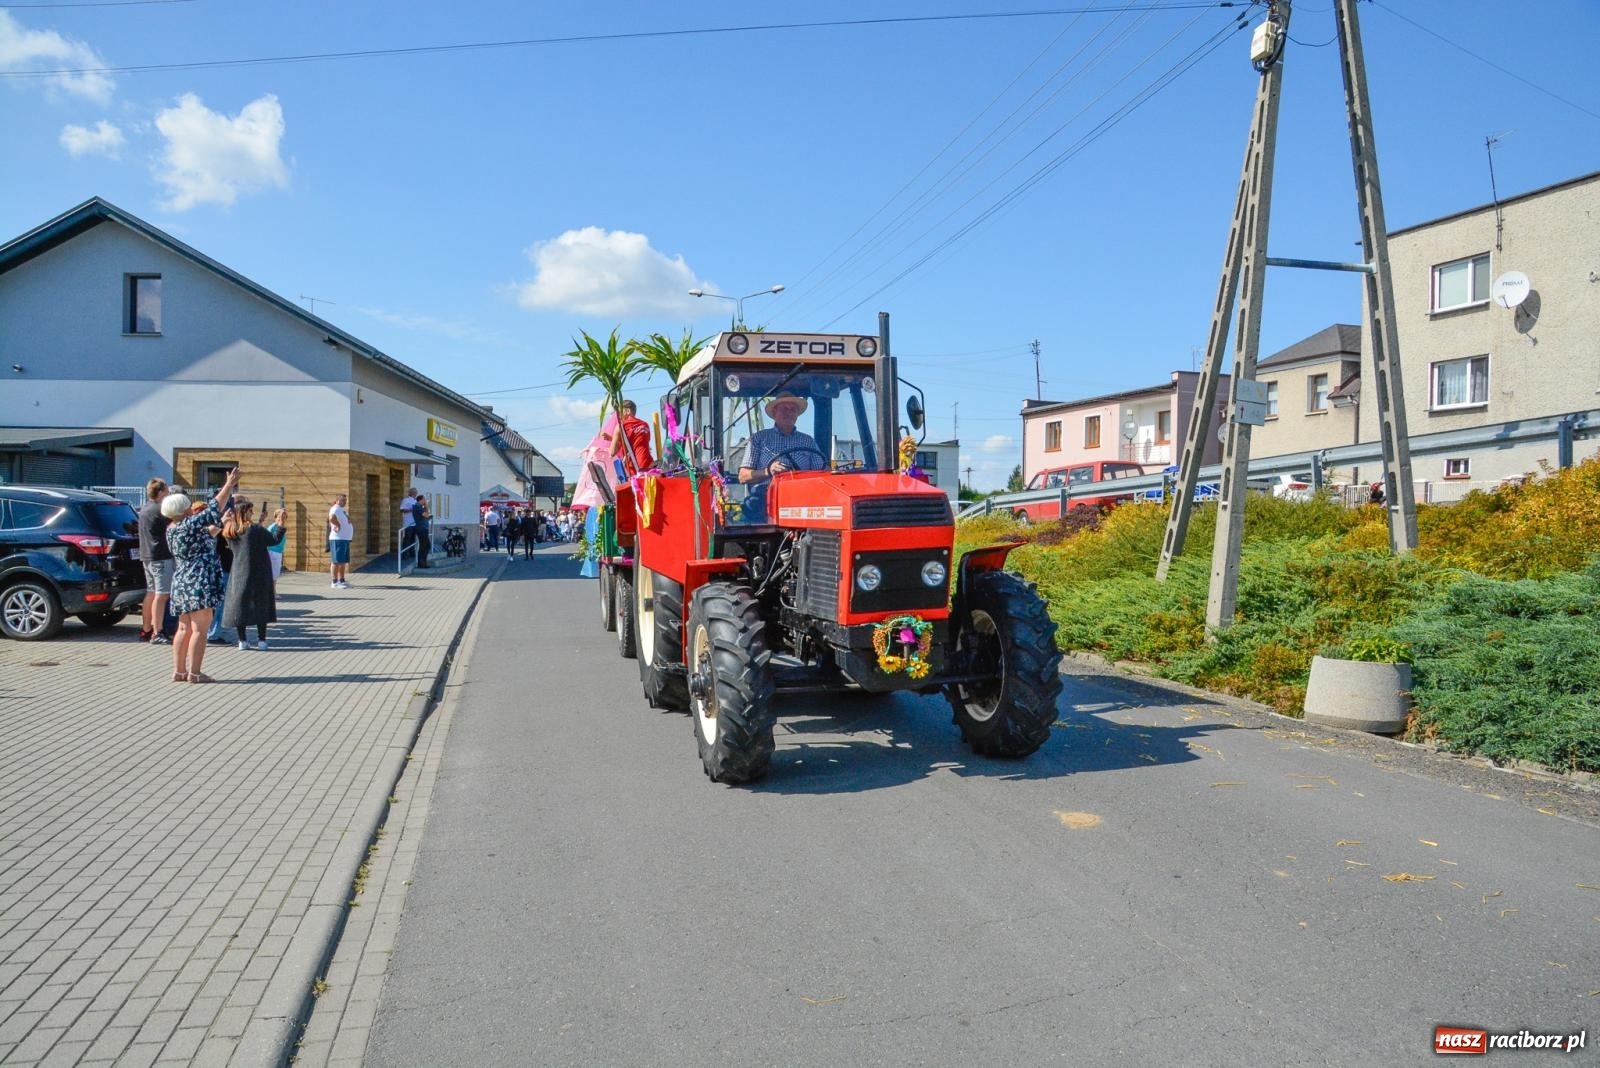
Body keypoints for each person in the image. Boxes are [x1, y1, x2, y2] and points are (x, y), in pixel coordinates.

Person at [162, 467, 239, 683]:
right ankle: (195, 673)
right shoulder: (188, 524)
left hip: (182, 580)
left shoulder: (173, 528)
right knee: (199, 630)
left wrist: (221, 522)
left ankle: (179, 671)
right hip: (199, 580)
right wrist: (229, 483)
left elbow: (207, 534)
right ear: (183, 509)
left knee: (184, 627)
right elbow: (214, 506)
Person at [222, 501, 285, 650]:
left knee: (240, 605)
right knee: (260, 604)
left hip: (239, 571)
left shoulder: (230, 530)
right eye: (250, 511)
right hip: (259, 571)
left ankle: (242, 640)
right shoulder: (255, 529)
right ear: (244, 512)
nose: (252, 513)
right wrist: (280, 525)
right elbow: (273, 539)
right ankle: (262, 640)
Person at [738, 393, 826, 484]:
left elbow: (822, 471)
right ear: (774, 412)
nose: (789, 413)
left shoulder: (808, 441)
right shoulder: (758, 438)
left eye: (792, 409)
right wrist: (768, 471)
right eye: (784, 409)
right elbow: (743, 477)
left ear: (797, 414)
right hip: (765, 492)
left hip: (801, 491)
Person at [137, 478, 174, 645]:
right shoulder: (160, 510)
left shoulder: (145, 508)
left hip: (147, 556)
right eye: (166, 491)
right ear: (160, 493)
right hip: (160, 557)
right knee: (162, 595)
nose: (168, 495)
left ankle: (147, 629)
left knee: (151, 593)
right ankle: (157, 632)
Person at [610, 399, 654, 478]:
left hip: (634, 469)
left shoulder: (621, 426)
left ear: (627, 411)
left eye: (620, 413)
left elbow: (612, 452)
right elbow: (638, 442)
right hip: (649, 467)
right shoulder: (645, 424)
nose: (619, 416)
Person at [328, 493, 354, 588]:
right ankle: (334, 582)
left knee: (342, 561)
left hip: (345, 538)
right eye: (343, 500)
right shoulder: (335, 508)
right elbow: (331, 518)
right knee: (336, 561)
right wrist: (338, 525)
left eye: (345, 500)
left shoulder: (341, 510)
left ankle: (342, 580)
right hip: (337, 538)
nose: (345, 502)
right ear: (338, 500)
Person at [265, 507, 287, 582]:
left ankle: (273, 591)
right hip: (272, 552)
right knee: (273, 573)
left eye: (284, 517)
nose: (282, 519)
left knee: (276, 573)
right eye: (280, 517)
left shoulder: (281, 527)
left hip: (278, 552)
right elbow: (268, 539)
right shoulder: (273, 527)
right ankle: (272, 592)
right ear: (275, 517)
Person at [400, 487, 419, 563]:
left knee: (413, 539)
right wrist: (411, 510)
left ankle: (412, 554)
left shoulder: (416, 501)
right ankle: (404, 555)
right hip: (408, 524)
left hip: (415, 523)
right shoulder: (405, 500)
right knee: (407, 539)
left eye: (416, 492)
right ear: (411, 493)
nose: (415, 494)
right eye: (414, 492)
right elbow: (401, 510)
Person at [414, 493, 432, 569]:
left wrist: (425, 507)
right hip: (421, 529)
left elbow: (427, 515)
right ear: (420, 500)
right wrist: (426, 506)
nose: (425, 501)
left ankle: (423, 562)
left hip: (423, 528)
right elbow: (426, 515)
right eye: (424, 499)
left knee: (426, 546)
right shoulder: (417, 507)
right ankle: (421, 563)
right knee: (424, 546)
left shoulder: (420, 507)